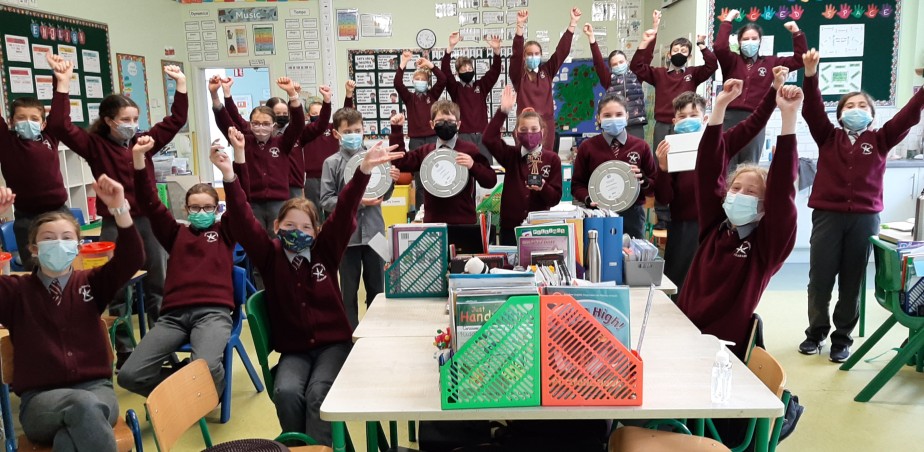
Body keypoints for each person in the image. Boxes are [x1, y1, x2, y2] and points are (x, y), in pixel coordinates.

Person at [218, 128, 401, 445]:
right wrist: (229, 177)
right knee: (286, 391)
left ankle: (320, 448)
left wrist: (364, 171)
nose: (296, 232)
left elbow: (343, 211)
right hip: (295, 350)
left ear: (316, 231)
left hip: (333, 345)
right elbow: (244, 220)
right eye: (289, 226)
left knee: (319, 393)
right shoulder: (270, 255)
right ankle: (299, 447)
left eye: (305, 227)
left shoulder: (325, 251)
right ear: (276, 227)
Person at [44, 53, 186, 367]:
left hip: (149, 222)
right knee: (116, 289)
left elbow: (176, 121)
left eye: (136, 120)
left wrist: (182, 85)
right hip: (115, 225)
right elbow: (58, 124)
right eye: (126, 120)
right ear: (109, 121)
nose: (132, 126)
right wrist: (63, 84)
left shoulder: (143, 141)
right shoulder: (94, 145)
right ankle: (124, 351)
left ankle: (162, 347)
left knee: (158, 285)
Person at [0, 176, 143, 451]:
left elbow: (133, 258)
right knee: (83, 406)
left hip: (98, 391)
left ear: (78, 248)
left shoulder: (92, 283)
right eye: (49, 239)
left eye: (67, 238)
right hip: (41, 402)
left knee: (69, 439)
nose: (58, 243)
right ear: (33, 249)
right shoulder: (15, 292)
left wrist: (120, 207)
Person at [799, 49, 924, 362]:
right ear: (840, 114)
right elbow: (812, 110)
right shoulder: (828, 137)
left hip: (865, 218)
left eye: (862, 106)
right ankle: (816, 333)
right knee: (821, 279)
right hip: (827, 216)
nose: (856, 110)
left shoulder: (880, 139)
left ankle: (842, 338)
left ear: (872, 113)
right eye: (849, 106)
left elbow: (906, 116)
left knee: (852, 280)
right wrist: (811, 76)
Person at [677, 78, 800, 360]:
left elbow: (782, 190)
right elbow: (707, 169)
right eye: (735, 188)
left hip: (723, 352)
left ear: (764, 204)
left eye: (751, 191)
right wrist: (720, 106)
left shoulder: (766, 247)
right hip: (685, 334)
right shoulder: (714, 228)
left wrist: (789, 117)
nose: (740, 194)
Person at [117, 135, 242, 396]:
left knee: (206, 366)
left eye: (208, 207)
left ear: (217, 209)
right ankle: (182, 389)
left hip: (212, 313)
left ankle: (207, 395)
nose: (201, 212)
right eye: (195, 207)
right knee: (129, 375)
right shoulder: (175, 234)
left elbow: (242, 206)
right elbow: (150, 202)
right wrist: (138, 159)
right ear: (186, 210)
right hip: (172, 317)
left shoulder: (225, 233)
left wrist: (229, 170)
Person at [654, 72, 783, 297]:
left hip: (716, 222)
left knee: (708, 278)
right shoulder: (669, 148)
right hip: (683, 225)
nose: (687, 120)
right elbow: (664, 198)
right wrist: (663, 169)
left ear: (705, 118)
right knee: (677, 282)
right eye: (682, 116)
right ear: (674, 121)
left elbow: (754, 123)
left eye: (693, 114)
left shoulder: (720, 142)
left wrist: (774, 89)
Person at [320, 108, 395, 329]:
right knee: (348, 292)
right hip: (346, 238)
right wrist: (358, 202)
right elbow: (326, 200)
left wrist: (391, 181)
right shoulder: (331, 163)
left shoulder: (377, 158)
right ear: (337, 134)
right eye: (348, 131)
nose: (354, 134)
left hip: (375, 233)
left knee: (377, 289)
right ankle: (349, 337)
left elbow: (385, 194)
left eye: (358, 130)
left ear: (364, 131)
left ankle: (376, 331)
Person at [210, 76, 307, 237]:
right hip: (253, 203)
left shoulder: (283, 143)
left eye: (265, 124)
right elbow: (225, 122)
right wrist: (216, 95)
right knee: (256, 242)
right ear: (250, 124)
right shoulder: (244, 141)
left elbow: (298, 124)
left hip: (279, 202)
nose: (260, 127)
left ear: (274, 126)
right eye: (256, 123)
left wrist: (292, 94)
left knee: (279, 241)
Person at [714, 8, 806, 165]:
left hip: (756, 118)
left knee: (749, 165)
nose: (750, 42)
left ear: (760, 41)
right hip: (729, 117)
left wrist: (796, 33)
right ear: (739, 42)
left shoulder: (771, 62)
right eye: (746, 39)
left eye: (754, 38)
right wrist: (728, 20)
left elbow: (799, 59)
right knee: (725, 162)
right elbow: (719, 47)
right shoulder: (731, 60)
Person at [388, 101, 496, 224]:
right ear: (432, 124)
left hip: (464, 221)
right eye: (440, 121)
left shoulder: (469, 150)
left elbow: (490, 180)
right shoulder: (425, 151)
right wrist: (396, 130)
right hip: (433, 222)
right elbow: (400, 162)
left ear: (459, 124)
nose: (445, 125)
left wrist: (473, 165)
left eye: (450, 121)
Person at [483, 85, 563, 246]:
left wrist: (543, 188)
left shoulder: (552, 159)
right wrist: (503, 111)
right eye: (523, 129)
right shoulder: (510, 155)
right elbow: (488, 139)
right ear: (517, 133)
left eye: (534, 129)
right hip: (510, 228)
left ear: (542, 132)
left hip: (539, 227)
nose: (529, 133)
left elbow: (555, 199)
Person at [571, 92, 657, 239]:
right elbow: (577, 185)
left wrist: (644, 180)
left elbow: (654, 187)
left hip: (633, 216)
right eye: (607, 115)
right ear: (598, 118)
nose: (613, 119)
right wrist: (588, 198)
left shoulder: (641, 146)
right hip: (598, 215)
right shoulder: (588, 147)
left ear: (627, 116)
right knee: (599, 258)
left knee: (631, 257)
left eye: (619, 114)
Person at [630, 9, 717, 149]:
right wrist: (644, 43)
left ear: (689, 57)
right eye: (675, 50)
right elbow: (636, 67)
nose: (679, 53)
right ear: (669, 55)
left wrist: (702, 45)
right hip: (662, 125)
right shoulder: (659, 73)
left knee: (684, 160)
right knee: (661, 161)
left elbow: (712, 65)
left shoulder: (693, 73)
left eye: (683, 51)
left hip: (685, 124)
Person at [0, 96, 68, 270]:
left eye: (34, 118)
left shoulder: (50, 137)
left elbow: (60, 113)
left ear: (43, 124)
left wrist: (61, 80)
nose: (27, 122)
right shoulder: (7, 142)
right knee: (35, 272)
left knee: (68, 266)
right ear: (11, 122)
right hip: (26, 218)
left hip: (59, 213)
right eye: (21, 118)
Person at [510, 7, 581, 151]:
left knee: (545, 162)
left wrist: (573, 23)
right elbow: (516, 54)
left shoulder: (547, 71)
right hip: (525, 125)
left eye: (536, 53)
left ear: (541, 55)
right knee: (524, 162)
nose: (533, 56)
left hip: (546, 125)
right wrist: (519, 26)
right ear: (524, 57)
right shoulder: (518, 76)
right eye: (529, 54)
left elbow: (562, 51)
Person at [395, 51, 447, 212]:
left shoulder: (433, 95)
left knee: (435, 176)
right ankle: (420, 212)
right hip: (416, 142)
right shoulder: (410, 98)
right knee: (419, 181)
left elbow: (443, 79)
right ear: (413, 81)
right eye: (417, 79)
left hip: (433, 139)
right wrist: (404, 62)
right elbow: (397, 83)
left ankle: (438, 210)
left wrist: (429, 65)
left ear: (427, 82)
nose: (420, 82)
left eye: (423, 79)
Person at [441, 32, 503, 162]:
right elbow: (445, 71)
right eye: (464, 69)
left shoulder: (481, 86)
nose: (468, 71)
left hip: (483, 135)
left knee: (486, 168)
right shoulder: (455, 88)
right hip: (464, 135)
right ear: (457, 73)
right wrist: (450, 48)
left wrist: (497, 52)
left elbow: (495, 71)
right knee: (465, 169)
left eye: (470, 68)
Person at [303, 81, 357, 216]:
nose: (318, 115)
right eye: (314, 113)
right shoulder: (305, 131)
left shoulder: (333, 129)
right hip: (312, 179)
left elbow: (347, 115)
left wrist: (349, 94)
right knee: (313, 213)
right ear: (308, 116)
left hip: (332, 174)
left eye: (321, 113)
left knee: (332, 212)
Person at [586, 24, 647, 139]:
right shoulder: (608, 79)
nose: (618, 65)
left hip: (635, 123)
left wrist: (646, 40)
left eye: (621, 62)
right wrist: (591, 38)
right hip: (615, 124)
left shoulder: (636, 74)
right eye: (614, 64)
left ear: (627, 62)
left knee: (635, 152)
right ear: (610, 67)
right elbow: (598, 63)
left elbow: (643, 57)